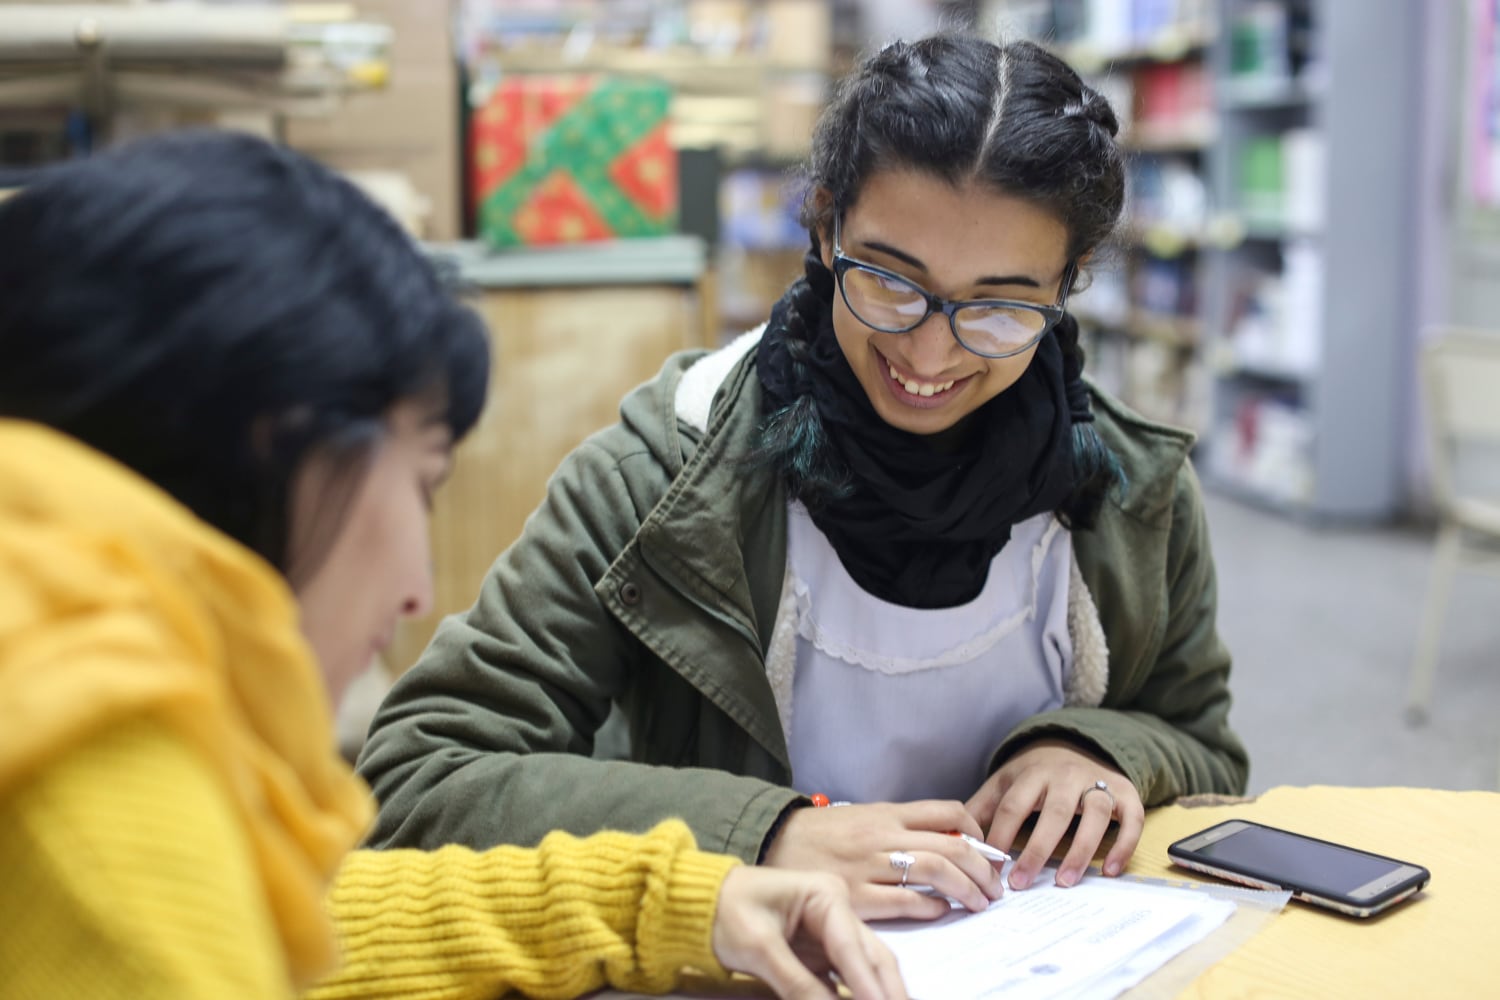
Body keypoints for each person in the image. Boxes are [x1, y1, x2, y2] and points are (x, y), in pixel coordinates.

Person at [358, 32, 1249, 919]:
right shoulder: (664, 478)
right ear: (824, 225)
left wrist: (1100, 752)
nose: (930, 351)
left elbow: (1203, 747)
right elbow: (421, 776)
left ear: (1069, 282)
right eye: (892, 283)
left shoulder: (1135, 492)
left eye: (1000, 307)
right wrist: (760, 834)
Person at [0, 131, 906, 1000]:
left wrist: (668, 901)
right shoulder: (97, 792)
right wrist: (755, 836)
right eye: (424, 483)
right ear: (277, 449)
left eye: (1002, 308)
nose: (415, 590)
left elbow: (293, 922)